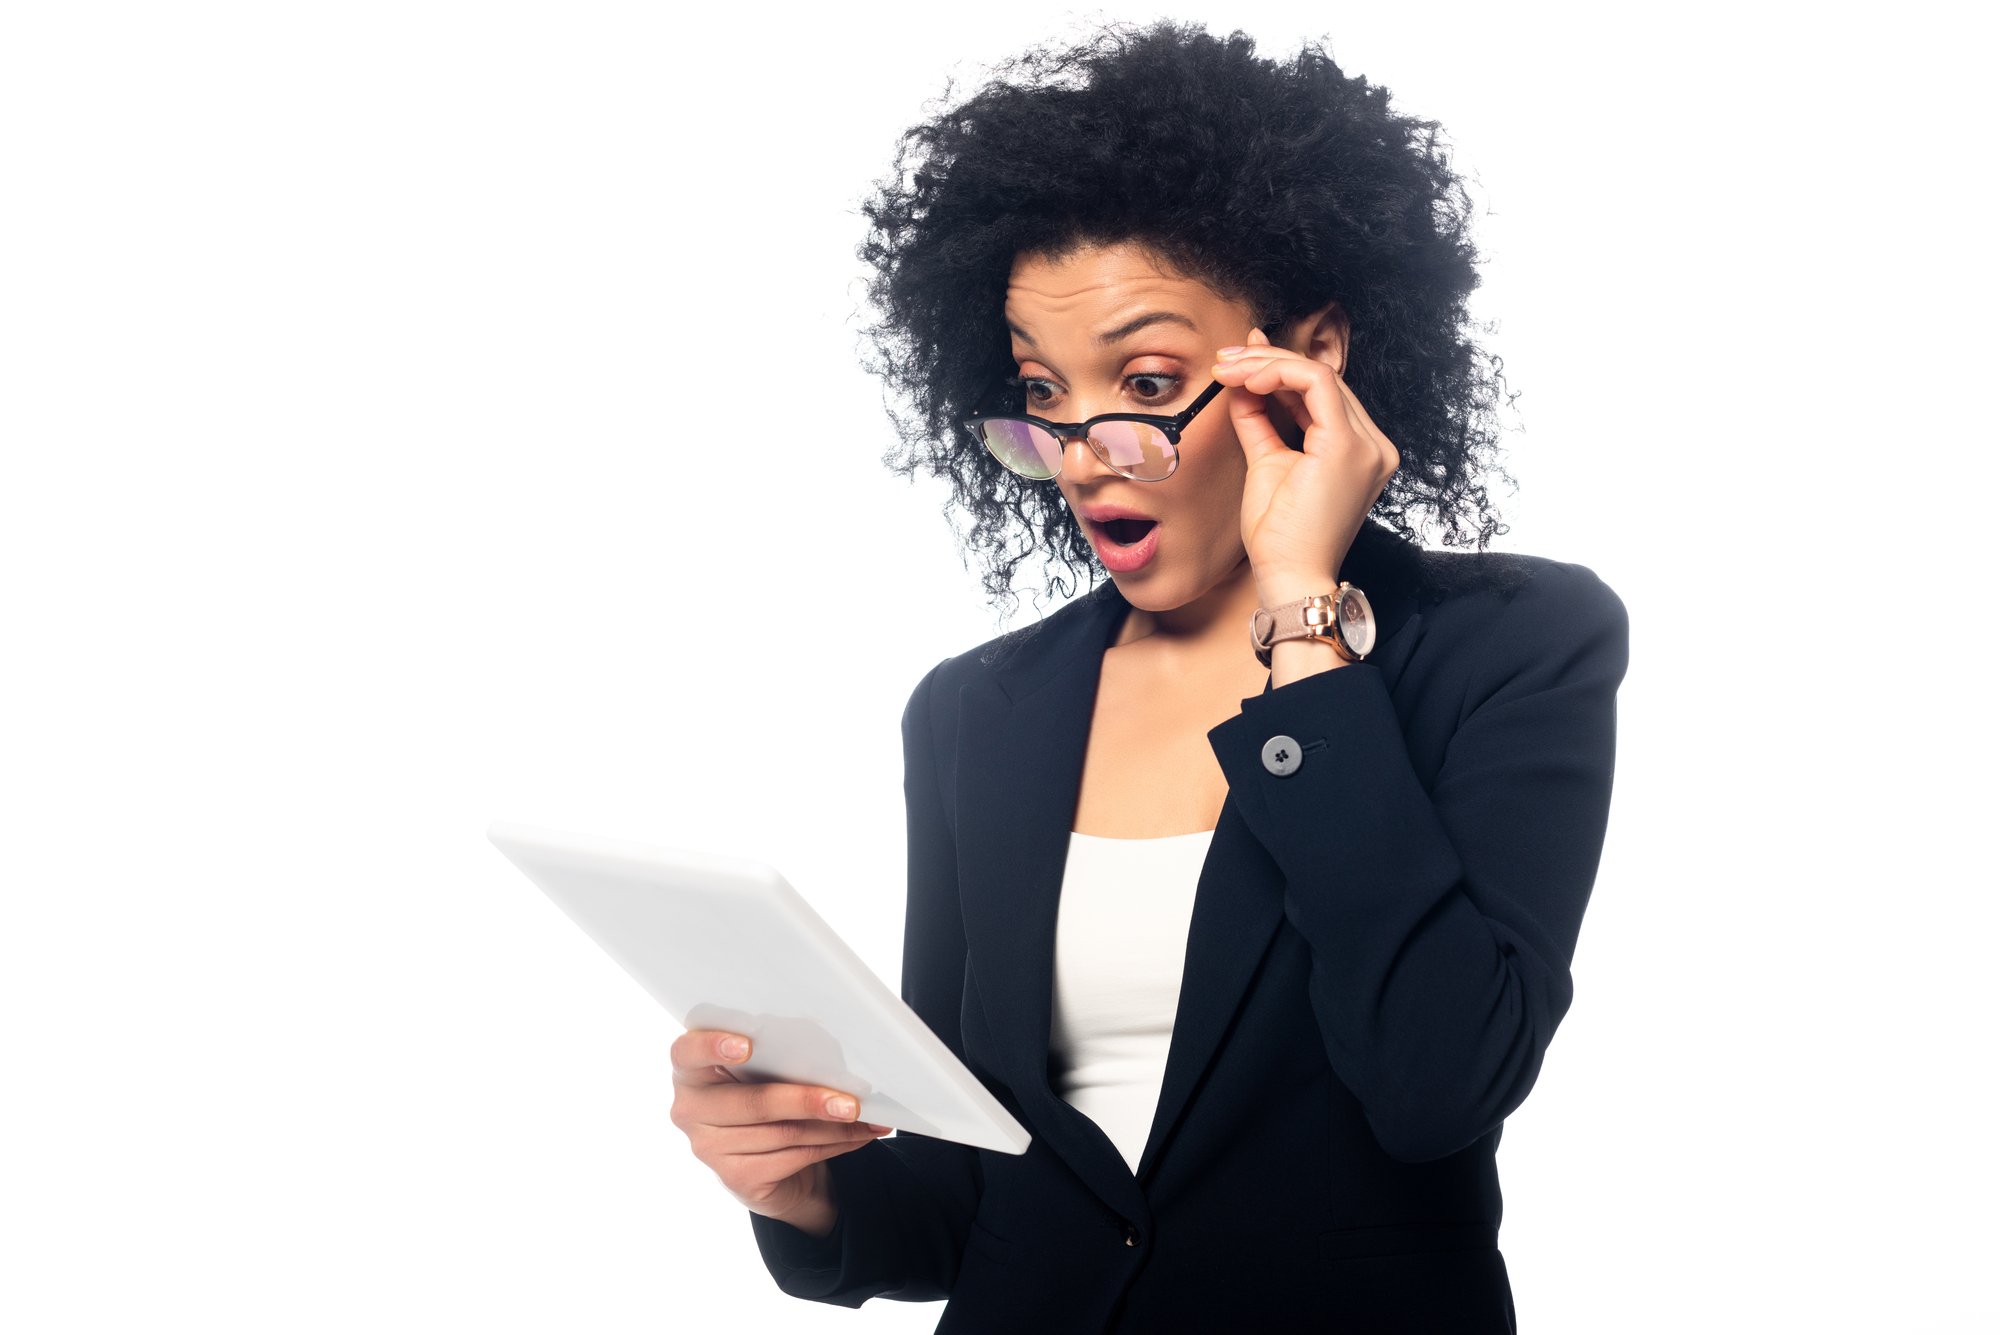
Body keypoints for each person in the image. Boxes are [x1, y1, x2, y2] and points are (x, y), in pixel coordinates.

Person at [668, 19, 1629, 1332]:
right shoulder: (976, 715)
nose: (1077, 454)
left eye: (1147, 381)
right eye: (1042, 393)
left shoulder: (1512, 646)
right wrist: (797, 1183)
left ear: (1311, 358)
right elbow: (969, 1200)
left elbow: (1436, 1083)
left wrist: (1303, 613)